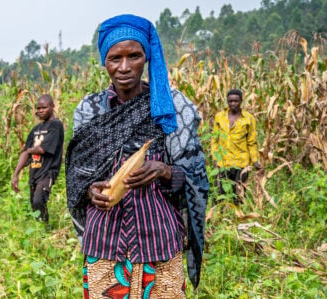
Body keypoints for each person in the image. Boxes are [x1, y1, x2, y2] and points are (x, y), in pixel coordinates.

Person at [65, 15, 209, 297]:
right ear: (104, 61)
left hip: (159, 238)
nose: (124, 67)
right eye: (114, 58)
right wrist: (90, 190)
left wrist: (164, 170)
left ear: (147, 57)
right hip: (105, 240)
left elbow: (195, 176)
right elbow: (77, 179)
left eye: (134, 56)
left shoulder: (171, 107)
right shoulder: (90, 110)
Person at [11, 94, 65, 224]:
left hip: (48, 172)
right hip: (34, 171)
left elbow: (42, 149)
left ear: (52, 107)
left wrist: (30, 151)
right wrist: (16, 174)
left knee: (38, 200)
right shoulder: (36, 129)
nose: (40, 111)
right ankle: (42, 230)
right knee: (34, 205)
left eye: (44, 108)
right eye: (38, 108)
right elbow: (25, 153)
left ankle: (45, 228)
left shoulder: (56, 126)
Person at [210, 89, 260, 203]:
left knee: (239, 195)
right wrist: (215, 157)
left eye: (236, 101)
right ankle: (221, 217)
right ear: (227, 101)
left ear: (241, 101)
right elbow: (215, 139)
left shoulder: (248, 118)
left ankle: (238, 217)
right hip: (223, 162)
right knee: (220, 195)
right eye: (230, 101)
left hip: (241, 163)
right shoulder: (219, 117)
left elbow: (251, 142)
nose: (233, 104)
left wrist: (255, 161)